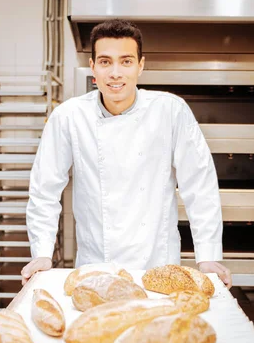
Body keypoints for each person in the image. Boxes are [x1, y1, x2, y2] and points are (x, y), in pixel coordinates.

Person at [21, 19, 232, 288]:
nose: (116, 73)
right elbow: (44, 189)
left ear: (141, 66)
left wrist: (209, 255)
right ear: (93, 68)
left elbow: (199, 187)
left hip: (158, 266)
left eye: (126, 61)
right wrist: (41, 253)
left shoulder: (171, 111)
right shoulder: (69, 117)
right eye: (106, 62)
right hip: (95, 266)